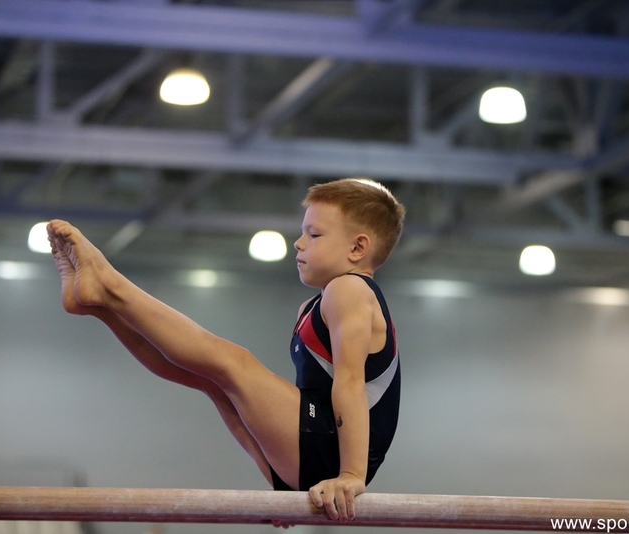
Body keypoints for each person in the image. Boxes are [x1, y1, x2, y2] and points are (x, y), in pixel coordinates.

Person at [47, 177, 406, 522]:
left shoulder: (350, 290)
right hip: (313, 449)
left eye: (314, 234)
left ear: (358, 248)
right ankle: (100, 306)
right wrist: (289, 491)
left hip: (335, 454)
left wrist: (351, 475)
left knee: (234, 363)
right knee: (210, 379)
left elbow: (350, 383)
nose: (299, 243)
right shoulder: (312, 307)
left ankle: (110, 285)